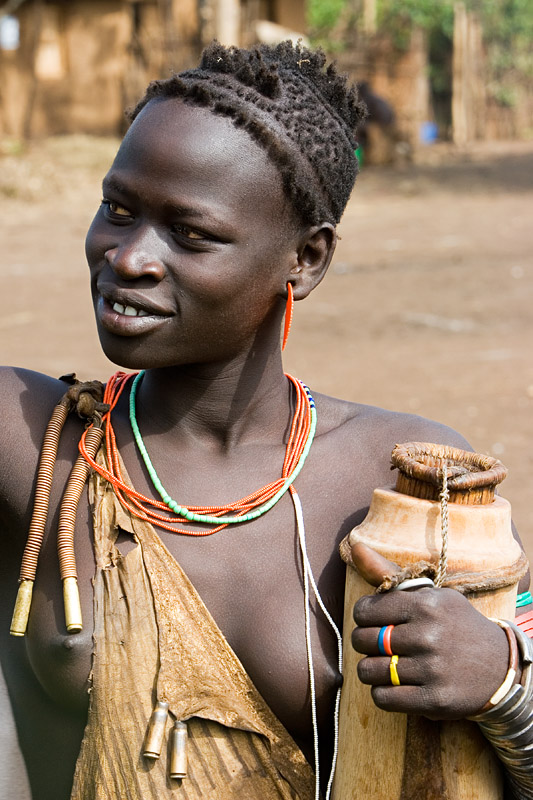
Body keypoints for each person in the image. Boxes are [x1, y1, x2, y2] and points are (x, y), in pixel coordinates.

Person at [0, 40, 531, 800]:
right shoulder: (30, 445)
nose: (129, 257)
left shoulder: (403, 482)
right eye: (119, 210)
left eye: (190, 233)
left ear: (305, 260)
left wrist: (502, 686)